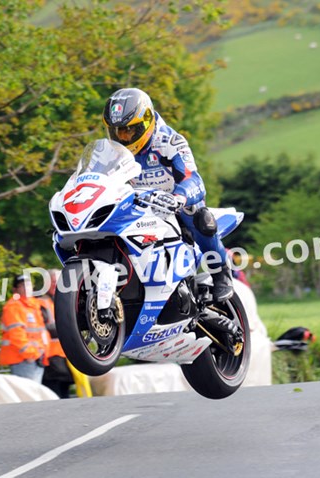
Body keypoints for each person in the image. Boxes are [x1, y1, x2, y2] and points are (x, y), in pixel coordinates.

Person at [102, 87, 234, 302]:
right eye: (117, 131)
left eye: (129, 131)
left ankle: (221, 273)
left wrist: (178, 197)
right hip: (134, 204)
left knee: (199, 217)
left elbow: (194, 179)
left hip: (174, 202)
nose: (123, 137)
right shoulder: (110, 151)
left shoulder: (170, 141)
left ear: (146, 121)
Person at [0, 274, 48, 383]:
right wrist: (31, 354)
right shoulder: (14, 306)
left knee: (35, 394)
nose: (27, 288)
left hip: (36, 358)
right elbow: (16, 335)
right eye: (22, 285)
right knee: (29, 395)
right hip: (23, 359)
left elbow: (41, 332)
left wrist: (42, 352)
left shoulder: (33, 305)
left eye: (29, 284)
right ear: (15, 289)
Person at [37, 269, 75, 398]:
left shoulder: (66, 300)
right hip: (51, 357)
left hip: (66, 354)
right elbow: (44, 327)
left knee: (66, 393)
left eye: (58, 281)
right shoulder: (41, 303)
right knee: (54, 394)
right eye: (52, 281)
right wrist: (67, 329)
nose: (55, 284)